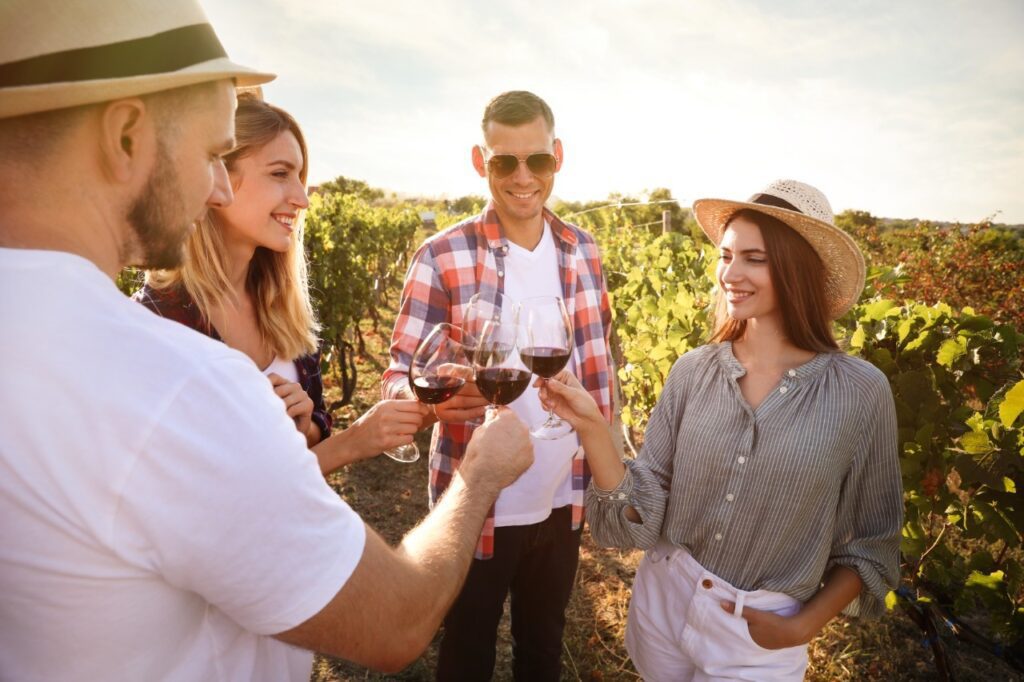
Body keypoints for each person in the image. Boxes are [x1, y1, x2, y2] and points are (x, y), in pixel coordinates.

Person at [0, 2, 533, 680]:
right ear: (127, 137)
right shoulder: (181, 383)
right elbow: (398, 619)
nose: (216, 185)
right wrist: (481, 473)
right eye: (211, 153)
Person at [539, 180, 903, 681]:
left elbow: (872, 541)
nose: (730, 274)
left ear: (797, 271)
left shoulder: (860, 392)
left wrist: (800, 629)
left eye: (754, 259)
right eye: (726, 255)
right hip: (663, 601)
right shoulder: (694, 369)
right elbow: (643, 512)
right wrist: (592, 429)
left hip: (760, 633)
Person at [383, 90, 615, 681]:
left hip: (565, 495)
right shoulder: (441, 256)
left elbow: (599, 366)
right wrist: (432, 402)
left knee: (543, 649)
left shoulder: (583, 250)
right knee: (467, 650)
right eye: (502, 162)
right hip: (477, 498)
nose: (521, 177)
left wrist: (606, 456)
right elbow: (399, 381)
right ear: (478, 162)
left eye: (536, 160)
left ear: (557, 157)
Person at [134, 92, 426, 472]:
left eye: (300, 178)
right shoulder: (159, 323)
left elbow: (315, 424)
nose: (303, 199)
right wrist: (353, 442)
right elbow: (215, 490)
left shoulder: (282, 304)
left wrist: (303, 430)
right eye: (280, 174)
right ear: (216, 174)